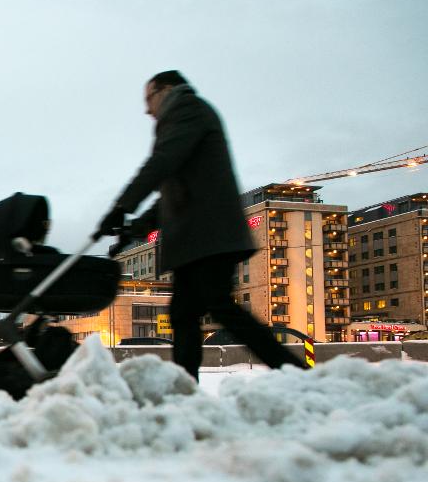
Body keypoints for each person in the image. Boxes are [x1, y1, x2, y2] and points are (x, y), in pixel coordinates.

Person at [97, 70, 306, 380]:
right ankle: (187, 386)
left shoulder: (186, 110)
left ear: (166, 90)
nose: (146, 109)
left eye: (148, 99)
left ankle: (294, 371)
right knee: (184, 314)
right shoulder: (187, 115)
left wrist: (121, 206)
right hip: (199, 239)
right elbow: (173, 185)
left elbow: (162, 163)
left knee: (218, 306)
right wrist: (136, 227)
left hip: (209, 237)